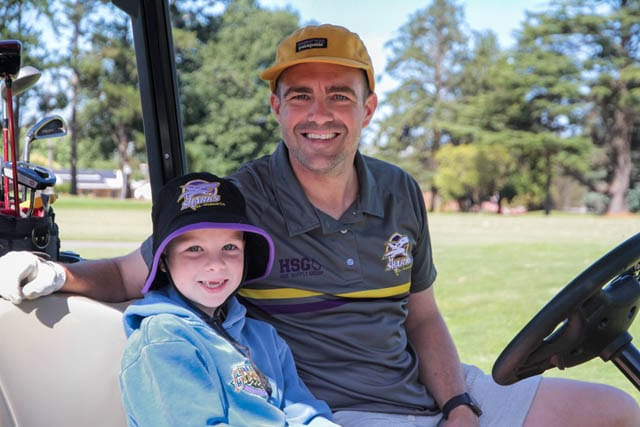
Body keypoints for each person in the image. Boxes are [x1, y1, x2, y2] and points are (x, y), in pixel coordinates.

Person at [1, 24, 639, 427]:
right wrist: (56, 273)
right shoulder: (242, 199)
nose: (320, 113)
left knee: (614, 411)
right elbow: (129, 274)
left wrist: (457, 406)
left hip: (430, 391)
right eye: (300, 95)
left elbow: (422, 317)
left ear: (369, 107)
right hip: (333, 410)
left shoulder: (400, 191)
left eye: (340, 95)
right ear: (276, 107)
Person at [119, 171, 337, 426]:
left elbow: (305, 413)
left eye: (230, 247)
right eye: (194, 249)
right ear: (163, 260)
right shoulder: (163, 339)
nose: (216, 264)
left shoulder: (264, 337)